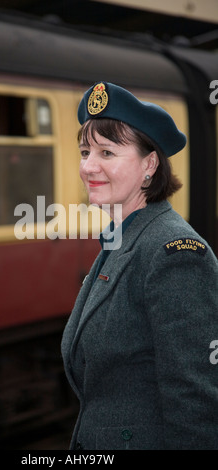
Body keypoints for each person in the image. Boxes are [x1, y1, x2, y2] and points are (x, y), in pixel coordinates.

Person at [61, 81, 218, 450]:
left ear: (149, 165)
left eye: (107, 153)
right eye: (85, 151)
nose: (88, 166)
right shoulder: (122, 239)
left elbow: (195, 402)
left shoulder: (173, 252)